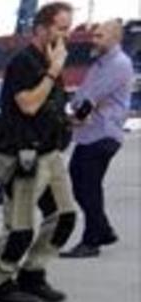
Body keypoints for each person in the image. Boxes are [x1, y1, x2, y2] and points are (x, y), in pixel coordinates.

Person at [0, 2, 76, 302]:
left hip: (51, 153)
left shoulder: (52, 59)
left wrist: (71, 119)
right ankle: (0, 282)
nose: (68, 34)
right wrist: (53, 72)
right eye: (62, 28)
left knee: (64, 217)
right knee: (20, 228)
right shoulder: (23, 62)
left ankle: (33, 273)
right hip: (25, 156)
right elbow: (28, 105)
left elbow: (48, 108)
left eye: (68, 27)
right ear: (41, 28)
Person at [60, 19, 132, 259]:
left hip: (102, 133)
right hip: (91, 134)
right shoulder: (100, 63)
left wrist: (72, 117)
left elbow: (91, 98)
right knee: (84, 184)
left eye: (100, 35)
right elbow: (84, 95)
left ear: (115, 38)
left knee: (86, 187)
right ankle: (103, 230)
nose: (94, 39)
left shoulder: (117, 64)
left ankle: (92, 241)